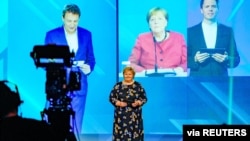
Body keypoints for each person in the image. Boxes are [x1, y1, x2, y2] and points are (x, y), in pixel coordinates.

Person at [44, 4, 96, 134]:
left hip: (80, 84)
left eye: (75, 21)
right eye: (69, 21)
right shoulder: (52, 35)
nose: (72, 24)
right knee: (55, 124)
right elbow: (45, 61)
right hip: (58, 86)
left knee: (76, 123)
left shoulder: (86, 35)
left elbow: (91, 59)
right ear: (62, 18)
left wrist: (88, 68)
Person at [187, 0, 240, 77]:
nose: (210, 9)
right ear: (201, 10)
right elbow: (182, 59)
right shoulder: (190, 32)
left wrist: (227, 59)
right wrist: (195, 59)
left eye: (213, 6)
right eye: (207, 6)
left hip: (221, 81)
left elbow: (236, 59)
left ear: (218, 9)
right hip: (197, 81)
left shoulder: (227, 31)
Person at [128, 7, 187, 74]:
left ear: (166, 23)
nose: (156, 22)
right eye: (152, 19)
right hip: (149, 78)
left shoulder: (178, 38)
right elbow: (131, 64)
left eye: (160, 19)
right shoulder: (142, 38)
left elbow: (186, 62)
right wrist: (145, 72)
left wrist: (181, 69)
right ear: (149, 24)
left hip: (174, 79)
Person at [109, 66, 147, 141]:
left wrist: (138, 102)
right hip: (121, 114)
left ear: (133, 75)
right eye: (126, 74)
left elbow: (144, 98)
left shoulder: (138, 86)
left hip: (135, 114)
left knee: (135, 134)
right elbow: (111, 97)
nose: (128, 76)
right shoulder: (118, 86)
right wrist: (119, 103)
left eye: (129, 74)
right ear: (123, 75)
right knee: (121, 134)